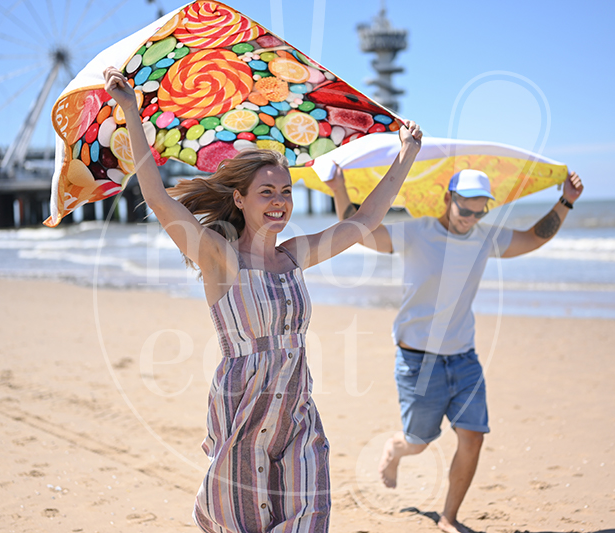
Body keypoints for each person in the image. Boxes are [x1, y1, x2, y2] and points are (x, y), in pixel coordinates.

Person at [103, 66, 422, 533]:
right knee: (244, 522)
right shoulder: (219, 258)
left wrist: (406, 155)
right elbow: (158, 197)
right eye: (267, 192)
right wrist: (131, 110)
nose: (280, 201)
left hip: (296, 410)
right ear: (240, 199)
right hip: (243, 412)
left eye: (287, 192)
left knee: (308, 516)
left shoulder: (294, 256)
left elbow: (364, 221)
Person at [329, 166, 583, 533]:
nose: (472, 218)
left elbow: (533, 239)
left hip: (464, 358)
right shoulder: (418, 233)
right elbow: (356, 232)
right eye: (466, 209)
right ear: (449, 199)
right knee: (417, 442)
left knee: (473, 436)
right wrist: (339, 188)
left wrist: (565, 202)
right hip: (417, 362)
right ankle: (395, 450)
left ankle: (449, 517)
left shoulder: (484, 238)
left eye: (481, 211)